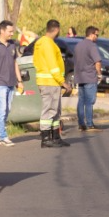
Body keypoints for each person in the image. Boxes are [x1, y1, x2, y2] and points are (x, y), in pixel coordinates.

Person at [33, 19, 70, 148]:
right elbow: (53, 65)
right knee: (49, 110)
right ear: (57, 29)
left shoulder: (40, 42)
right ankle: (46, 138)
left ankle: (55, 137)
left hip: (49, 81)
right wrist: (62, 81)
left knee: (55, 111)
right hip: (50, 82)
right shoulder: (48, 44)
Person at [73, 27, 103, 132]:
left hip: (79, 77)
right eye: (97, 35)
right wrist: (99, 74)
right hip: (90, 77)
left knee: (81, 101)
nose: (97, 37)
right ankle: (90, 124)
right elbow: (97, 62)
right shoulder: (92, 46)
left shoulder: (78, 45)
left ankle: (81, 124)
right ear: (91, 34)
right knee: (90, 101)